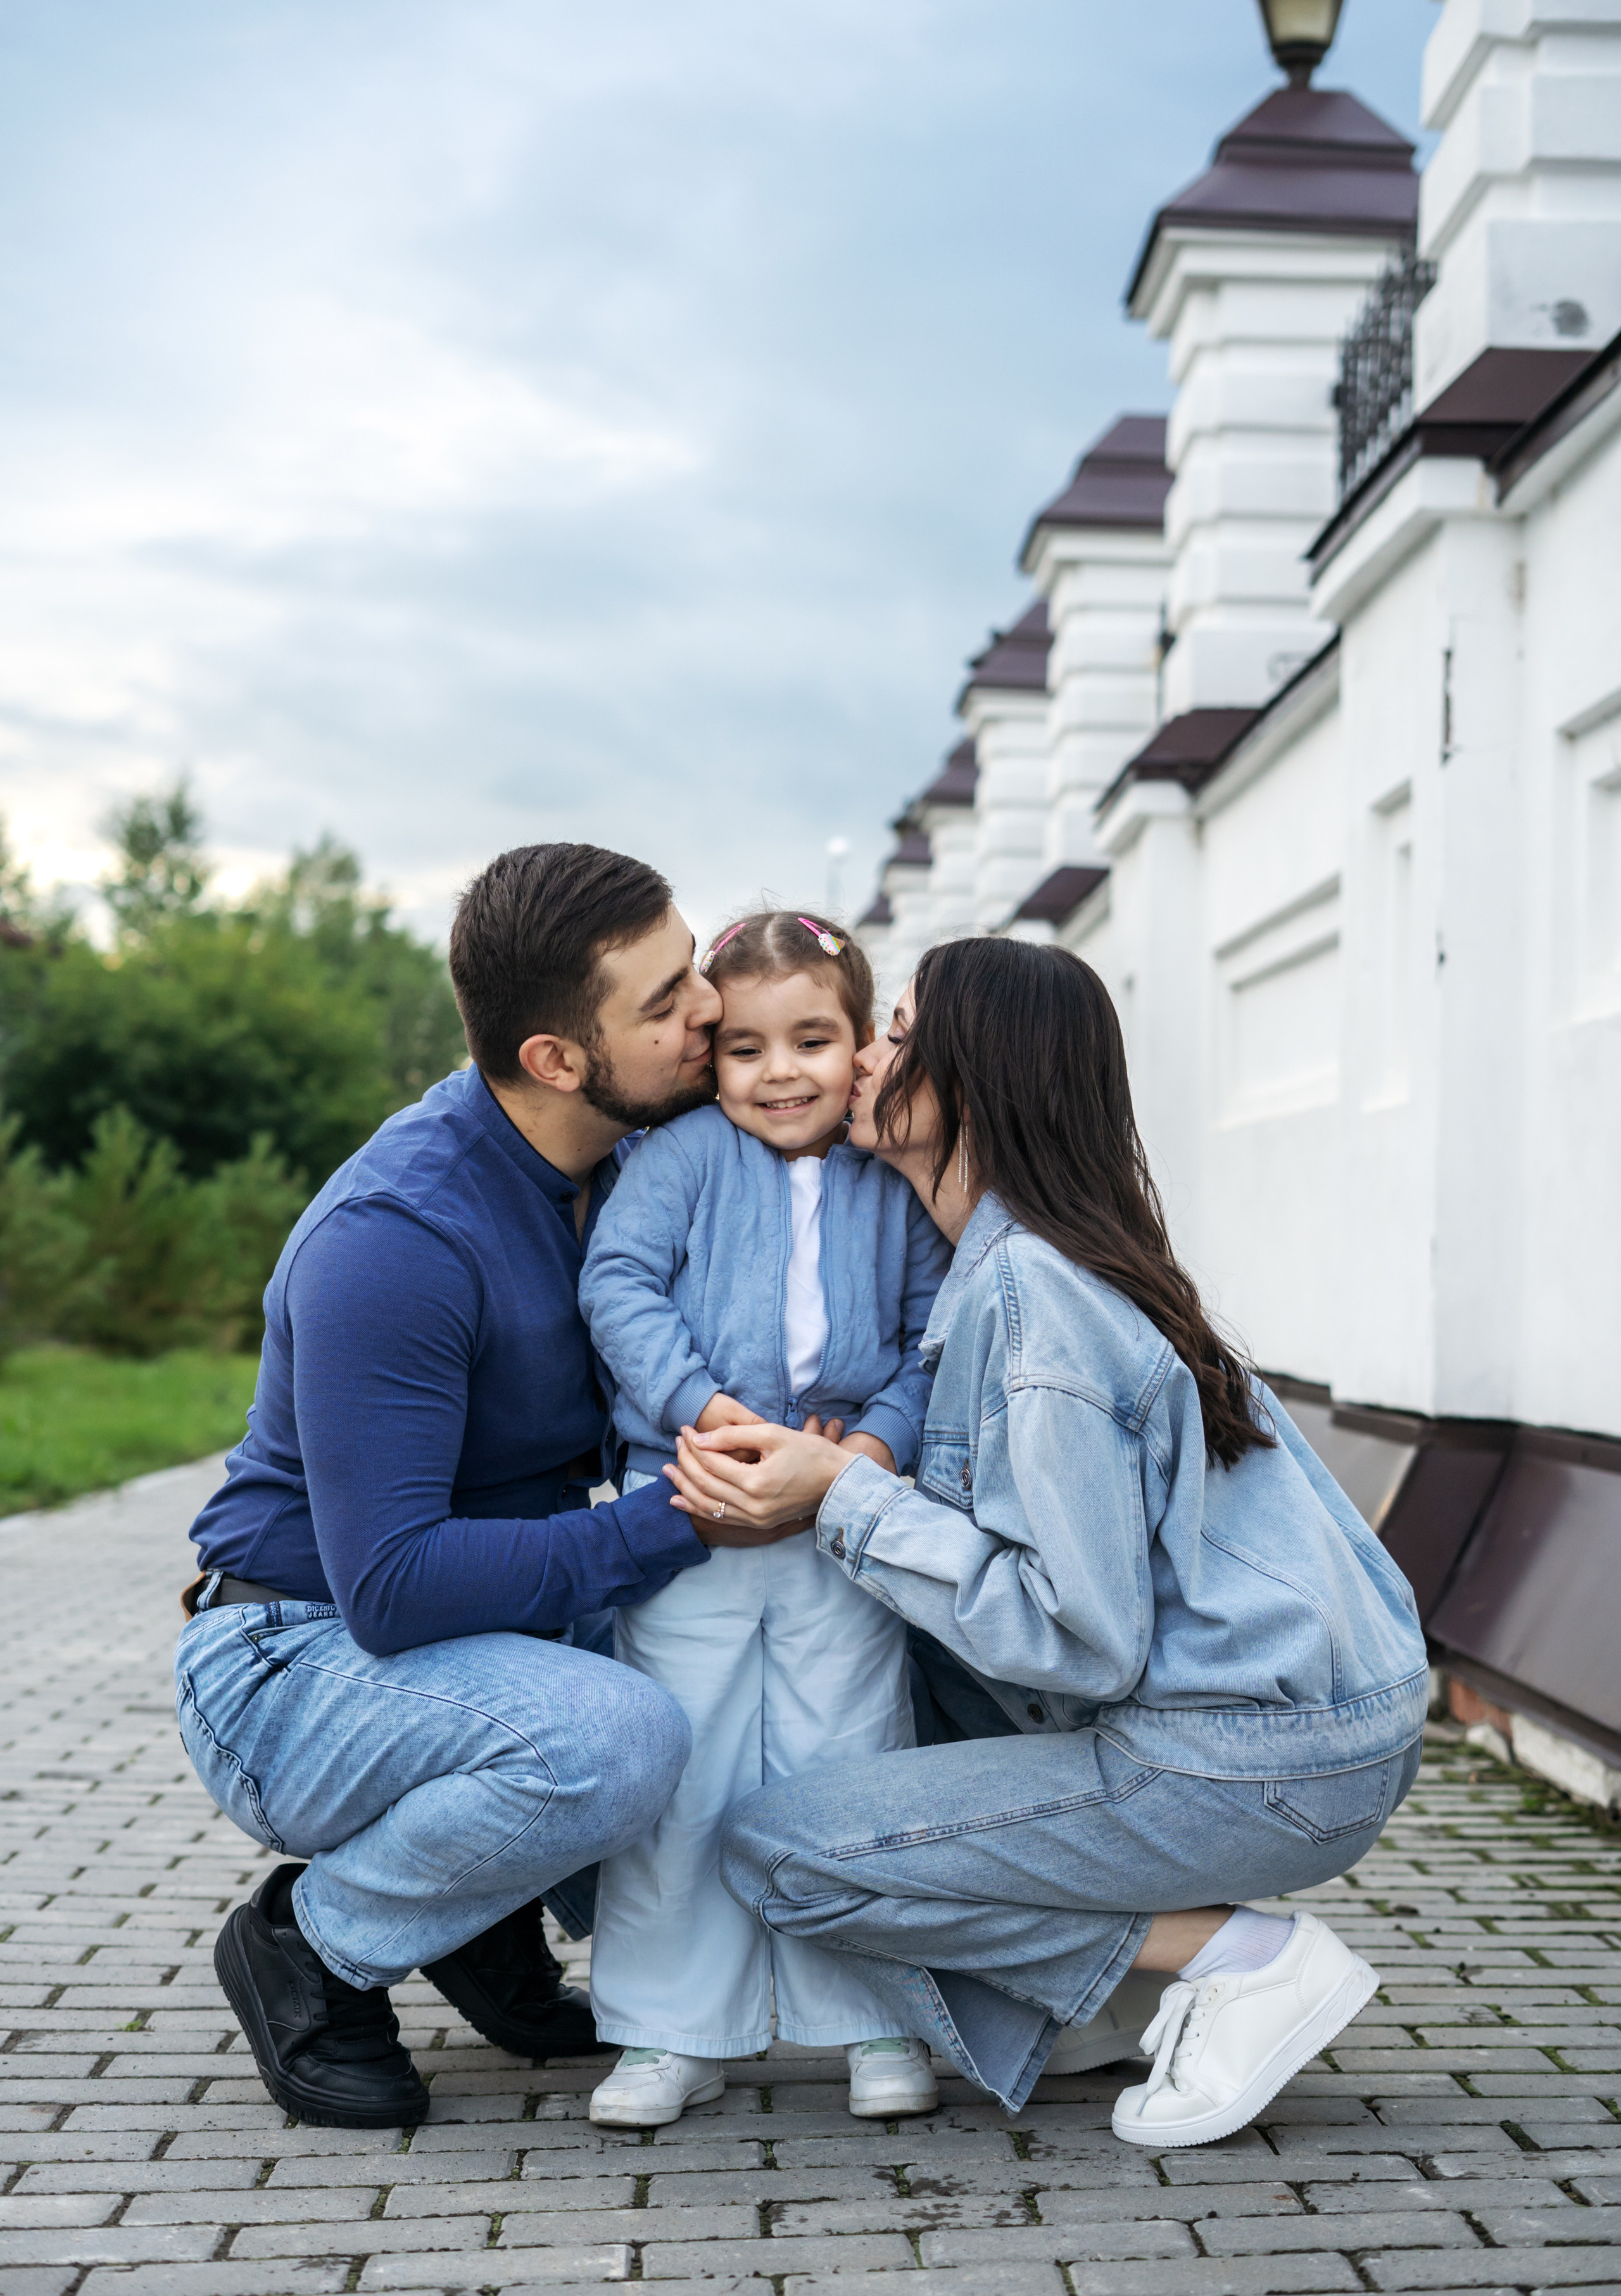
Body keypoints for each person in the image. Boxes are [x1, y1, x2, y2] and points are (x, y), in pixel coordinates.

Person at [665, 938, 1429, 2149]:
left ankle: (1244, 1958)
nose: (864, 1055)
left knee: (781, 1854)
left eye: (900, 1034)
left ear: (978, 1078)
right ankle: (1114, 1998)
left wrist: (841, 1499)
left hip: (1246, 1756)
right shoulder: (1046, 1256)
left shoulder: (1034, 1298)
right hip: (1301, 1727)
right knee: (906, 1669)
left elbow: (1077, 1636)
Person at [175, 842, 729, 2131]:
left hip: (473, 1635)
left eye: (690, 966)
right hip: (290, 1656)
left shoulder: (629, 1157)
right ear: (554, 1060)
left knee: (747, 1695)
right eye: (664, 1001)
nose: (704, 1009)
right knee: (620, 1739)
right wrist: (677, 1524)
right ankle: (314, 1945)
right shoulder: (400, 1239)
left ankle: (473, 1911)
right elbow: (394, 1585)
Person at [577, 911, 952, 2126]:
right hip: (690, 1494)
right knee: (687, 1768)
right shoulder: (678, 1161)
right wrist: (706, 1408)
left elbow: (924, 1335)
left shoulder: (885, 1179)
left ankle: (875, 2017)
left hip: (841, 1515)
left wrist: (879, 1444)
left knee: (848, 1758)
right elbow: (619, 1286)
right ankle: (669, 2031)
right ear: (709, 1058)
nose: (780, 1072)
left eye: (814, 1040)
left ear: (861, 1046)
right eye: (745, 1048)